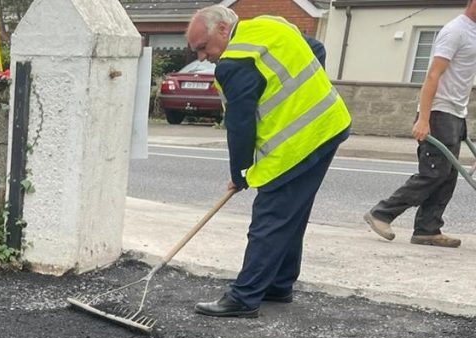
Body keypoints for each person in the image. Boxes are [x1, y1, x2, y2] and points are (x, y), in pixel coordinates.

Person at [184, 6, 352, 318]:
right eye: (197, 51)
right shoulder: (270, 25)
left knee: (271, 216)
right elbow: (316, 48)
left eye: (203, 48)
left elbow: (241, 127)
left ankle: (244, 297)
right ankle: (278, 285)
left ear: (222, 29)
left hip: (298, 142)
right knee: (292, 213)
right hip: (329, 123)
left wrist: (241, 174)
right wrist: (308, 94)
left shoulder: (234, 63)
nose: (203, 57)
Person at [364, 1, 476, 249]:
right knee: (434, 172)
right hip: (439, 111)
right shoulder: (455, 31)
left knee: (447, 176)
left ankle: (427, 229)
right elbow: (433, 75)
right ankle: (381, 213)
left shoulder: (473, 32)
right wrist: (423, 118)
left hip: (455, 112)